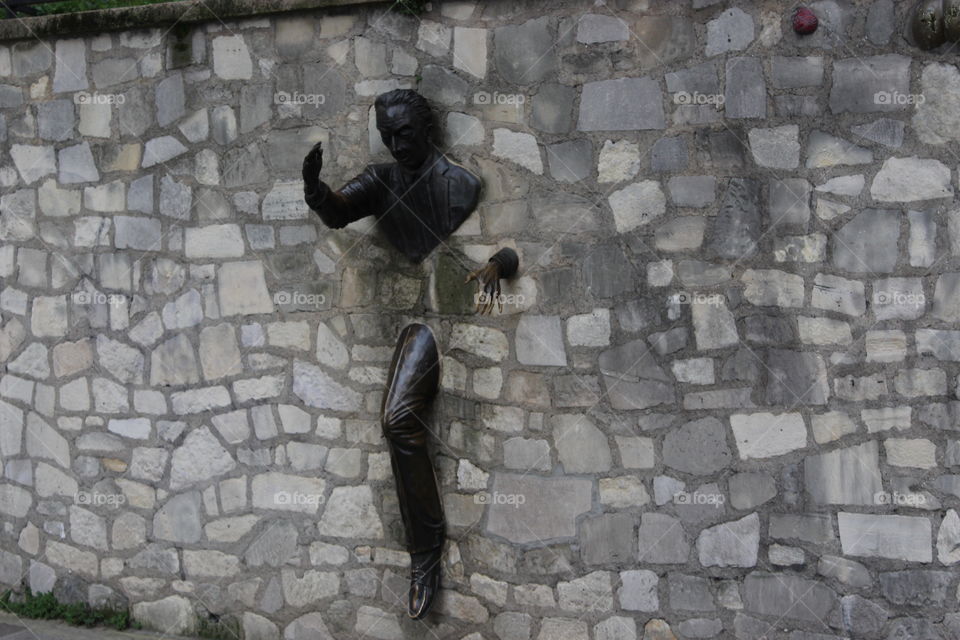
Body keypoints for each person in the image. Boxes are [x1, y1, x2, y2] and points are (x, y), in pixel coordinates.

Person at [301, 88, 518, 619]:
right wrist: (314, 190)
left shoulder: (460, 184)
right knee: (396, 421)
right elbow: (339, 212)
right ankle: (425, 551)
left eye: (404, 134)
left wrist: (499, 264)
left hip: (449, 320)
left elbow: (506, 257)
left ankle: (425, 552)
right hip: (414, 322)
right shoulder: (380, 181)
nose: (396, 145)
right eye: (387, 136)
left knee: (398, 420)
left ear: (428, 130)